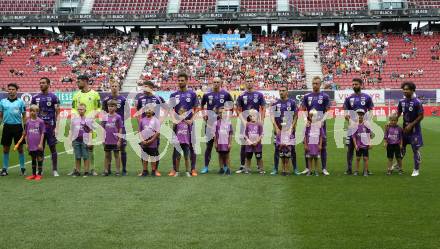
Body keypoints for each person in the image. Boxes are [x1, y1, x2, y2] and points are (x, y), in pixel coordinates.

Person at [168, 72, 199, 177]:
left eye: (182, 80)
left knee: (191, 146)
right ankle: (174, 169)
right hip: (177, 125)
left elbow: (197, 109)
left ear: (186, 81)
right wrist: (173, 119)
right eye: (179, 80)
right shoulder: (173, 95)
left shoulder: (192, 94)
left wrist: (192, 120)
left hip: (189, 124)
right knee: (176, 147)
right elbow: (170, 110)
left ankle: (193, 169)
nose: (180, 82)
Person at [69, 75, 101, 176]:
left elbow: (99, 108)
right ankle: (76, 169)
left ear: (85, 81)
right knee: (76, 146)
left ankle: (92, 168)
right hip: (78, 125)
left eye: (79, 81)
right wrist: (75, 118)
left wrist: (92, 116)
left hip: (89, 125)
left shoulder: (95, 94)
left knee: (90, 147)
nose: (77, 83)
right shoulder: (76, 95)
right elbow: (73, 108)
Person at [200, 77, 233, 174]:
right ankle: (206, 167)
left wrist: (228, 116)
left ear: (221, 83)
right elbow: (201, 105)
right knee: (209, 146)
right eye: (214, 82)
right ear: (211, 83)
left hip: (222, 126)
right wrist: (203, 115)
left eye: (218, 82)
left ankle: (225, 167)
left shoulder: (226, 94)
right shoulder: (207, 94)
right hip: (210, 124)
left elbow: (231, 105)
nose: (216, 83)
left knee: (224, 147)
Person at [136, 80, 167, 177]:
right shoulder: (141, 98)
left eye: (145, 86)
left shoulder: (158, 97)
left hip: (154, 129)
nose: (143, 88)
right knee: (144, 150)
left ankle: (155, 170)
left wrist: (161, 120)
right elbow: (137, 112)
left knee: (155, 150)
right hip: (144, 128)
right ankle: (144, 170)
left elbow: (166, 109)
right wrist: (140, 122)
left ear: (151, 87)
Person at [300, 76, 330, 176]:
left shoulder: (325, 96)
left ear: (320, 84)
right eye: (313, 83)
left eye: (316, 83)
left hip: (320, 125)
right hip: (309, 125)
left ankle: (324, 168)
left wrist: (322, 121)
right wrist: (305, 120)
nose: (314, 85)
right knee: (307, 146)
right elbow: (303, 109)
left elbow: (327, 111)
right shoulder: (307, 96)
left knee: (322, 146)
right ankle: (307, 167)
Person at [31, 77, 61, 176]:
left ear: (48, 84)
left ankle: (55, 169)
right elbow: (32, 113)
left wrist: (57, 127)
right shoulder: (35, 98)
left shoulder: (54, 97)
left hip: (50, 126)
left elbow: (58, 113)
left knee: (53, 148)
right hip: (38, 127)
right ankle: (40, 169)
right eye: (40, 83)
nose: (41, 85)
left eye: (43, 83)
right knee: (40, 148)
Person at [343, 78, 374, 175]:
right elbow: (346, 113)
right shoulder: (349, 98)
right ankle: (349, 168)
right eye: (353, 84)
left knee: (365, 147)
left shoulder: (367, 97)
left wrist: (366, 122)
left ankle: (366, 169)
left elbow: (371, 111)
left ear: (361, 85)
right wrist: (349, 119)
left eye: (356, 84)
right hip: (352, 128)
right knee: (350, 148)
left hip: (363, 128)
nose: (354, 86)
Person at [235, 77, 266, 174]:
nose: (249, 83)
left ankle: (258, 166)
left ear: (253, 82)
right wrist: (244, 121)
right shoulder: (241, 95)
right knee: (244, 144)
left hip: (256, 124)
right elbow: (237, 109)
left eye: (250, 81)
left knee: (257, 143)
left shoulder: (259, 95)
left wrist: (261, 121)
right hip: (245, 124)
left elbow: (263, 108)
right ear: (245, 82)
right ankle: (242, 165)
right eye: (247, 81)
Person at [397, 81, 424, 177]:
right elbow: (398, 113)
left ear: (413, 90)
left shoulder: (417, 102)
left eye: (407, 89)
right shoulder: (401, 102)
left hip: (415, 131)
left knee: (415, 150)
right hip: (404, 130)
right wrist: (392, 122)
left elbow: (421, 116)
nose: (405, 91)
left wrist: (411, 125)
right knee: (401, 148)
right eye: (403, 90)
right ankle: (398, 164)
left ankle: (416, 169)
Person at [270, 85, 298, 175]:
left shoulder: (292, 102)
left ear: (287, 92)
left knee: (292, 149)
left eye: (283, 90)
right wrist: (276, 128)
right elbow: (272, 116)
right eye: (280, 90)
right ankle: (275, 168)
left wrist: (291, 127)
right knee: (277, 149)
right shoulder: (275, 103)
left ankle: (295, 168)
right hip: (278, 131)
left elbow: (296, 116)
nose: (281, 92)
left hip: (290, 131)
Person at [0, 83, 27, 176]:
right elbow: (1, 115)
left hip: (18, 127)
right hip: (7, 127)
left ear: (16, 90)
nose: (11, 91)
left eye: (13, 89)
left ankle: (22, 168)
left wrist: (25, 128)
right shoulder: (3, 102)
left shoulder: (21, 102)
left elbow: (24, 116)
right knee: (5, 149)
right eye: (9, 89)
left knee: (20, 148)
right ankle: (4, 169)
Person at [102, 81, 128, 175]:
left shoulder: (123, 99)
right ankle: (107, 169)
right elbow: (104, 113)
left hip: (120, 127)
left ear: (119, 87)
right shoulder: (106, 99)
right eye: (112, 86)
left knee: (122, 148)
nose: (114, 87)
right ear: (110, 87)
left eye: (115, 86)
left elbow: (127, 113)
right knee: (108, 150)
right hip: (109, 128)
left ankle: (123, 169)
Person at [69, 104, 93, 177]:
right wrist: (71, 140)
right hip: (76, 140)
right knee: (77, 156)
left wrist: (90, 141)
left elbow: (90, 131)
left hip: (85, 140)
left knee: (86, 156)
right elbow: (72, 130)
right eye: (79, 109)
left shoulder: (88, 120)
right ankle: (78, 171)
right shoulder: (74, 119)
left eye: (82, 109)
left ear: (85, 110)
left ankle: (86, 171)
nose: (80, 110)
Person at [101, 100, 123, 176]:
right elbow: (102, 128)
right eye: (109, 106)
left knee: (117, 155)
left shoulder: (118, 117)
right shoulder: (104, 117)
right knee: (107, 155)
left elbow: (120, 128)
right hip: (107, 140)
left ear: (116, 107)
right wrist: (102, 139)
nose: (110, 108)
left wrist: (119, 140)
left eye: (112, 106)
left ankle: (117, 171)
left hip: (115, 140)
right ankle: (106, 170)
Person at [138, 104, 161, 177]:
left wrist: (151, 140)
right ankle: (145, 170)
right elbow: (139, 131)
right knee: (145, 157)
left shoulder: (156, 120)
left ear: (153, 111)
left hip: (153, 142)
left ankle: (154, 170)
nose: (148, 111)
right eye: (147, 109)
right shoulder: (142, 120)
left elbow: (157, 132)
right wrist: (142, 140)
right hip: (144, 142)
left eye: (150, 110)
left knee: (153, 157)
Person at [24, 105, 45, 181]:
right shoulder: (28, 122)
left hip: (38, 144)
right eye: (31, 111)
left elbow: (42, 133)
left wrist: (41, 143)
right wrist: (26, 143)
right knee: (33, 159)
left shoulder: (40, 121)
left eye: (35, 111)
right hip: (31, 144)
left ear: (37, 112)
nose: (33, 112)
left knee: (39, 158)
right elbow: (26, 133)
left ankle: (39, 174)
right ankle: (33, 174)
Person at [172, 107, 192, 177]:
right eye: (181, 112)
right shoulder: (176, 123)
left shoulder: (188, 123)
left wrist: (189, 142)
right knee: (178, 158)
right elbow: (173, 132)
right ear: (179, 113)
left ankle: (187, 171)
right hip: (178, 143)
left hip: (186, 143)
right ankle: (177, 171)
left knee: (187, 157)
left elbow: (190, 133)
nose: (182, 113)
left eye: (184, 112)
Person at [304, 110, 324, 176]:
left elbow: (321, 135)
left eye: (313, 116)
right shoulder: (307, 124)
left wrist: (320, 145)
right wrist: (305, 145)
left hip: (316, 144)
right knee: (309, 158)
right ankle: (310, 170)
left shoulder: (319, 124)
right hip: (309, 144)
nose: (312, 117)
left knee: (316, 158)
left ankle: (316, 170)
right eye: (311, 116)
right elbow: (305, 135)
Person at [243, 110, 265, 174]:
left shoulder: (259, 124)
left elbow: (262, 134)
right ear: (249, 117)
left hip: (257, 145)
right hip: (249, 145)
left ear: (257, 116)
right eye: (251, 116)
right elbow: (245, 135)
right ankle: (247, 169)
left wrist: (257, 141)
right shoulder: (247, 124)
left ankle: (261, 169)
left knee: (259, 158)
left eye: (254, 115)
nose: (252, 117)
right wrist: (249, 141)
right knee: (248, 158)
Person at [214, 107, 233, 175]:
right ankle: (221, 168)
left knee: (227, 155)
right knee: (220, 155)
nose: (222, 114)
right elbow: (215, 134)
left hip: (226, 142)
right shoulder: (216, 123)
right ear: (218, 114)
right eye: (220, 113)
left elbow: (230, 134)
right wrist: (215, 143)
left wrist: (230, 143)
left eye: (224, 113)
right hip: (219, 143)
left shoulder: (229, 122)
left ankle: (228, 169)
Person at [352, 109, 372, 176]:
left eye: (361, 115)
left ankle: (365, 171)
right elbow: (354, 136)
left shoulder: (366, 124)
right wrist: (355, 145)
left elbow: (369, 135)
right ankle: (356, 171)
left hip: (365, 145)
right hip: (358, 145)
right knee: (357, 158)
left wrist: (370, 143)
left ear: (363, 116)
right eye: (358, 115)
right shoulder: (354, 125)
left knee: (365, 158)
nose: (360, 116)